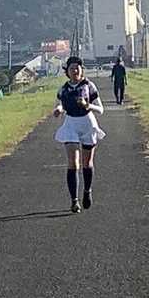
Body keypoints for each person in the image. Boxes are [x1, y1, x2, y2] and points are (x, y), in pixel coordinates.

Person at [53, 56, 105, 213]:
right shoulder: (63, 89)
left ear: (82, 70)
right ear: (67, 72)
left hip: (87, 123)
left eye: (77, 68)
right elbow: (61, 104)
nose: (75, 71)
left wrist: (87, 105)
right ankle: (74, 200)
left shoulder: (89, 86)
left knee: (86, 163)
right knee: (73, 163)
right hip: (71, 124)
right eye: (71, 68)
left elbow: (100, 109)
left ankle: (87, 191)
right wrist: (59, 110)